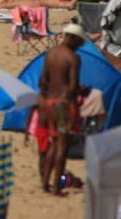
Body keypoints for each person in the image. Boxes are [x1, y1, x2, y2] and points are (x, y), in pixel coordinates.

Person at [38, 24, 85, 197]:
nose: (79, 46)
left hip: (49, 102)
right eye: (79, 42)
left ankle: (45, 184)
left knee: (54, 143)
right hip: (64, 105)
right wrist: (83, 91)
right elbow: (72, 87)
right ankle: (57, 188)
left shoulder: (51, 53)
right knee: (63, 147)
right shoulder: (73, 58)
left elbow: (43, 81)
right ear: (73, 38)